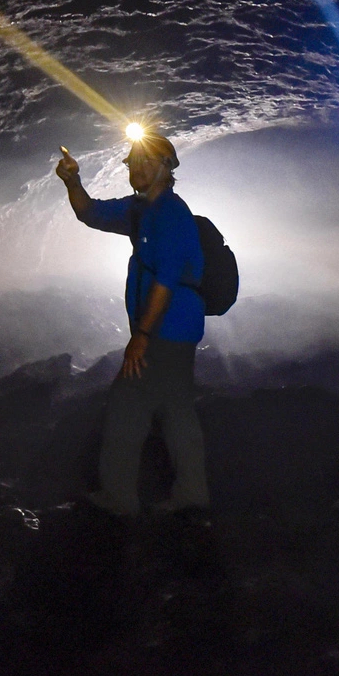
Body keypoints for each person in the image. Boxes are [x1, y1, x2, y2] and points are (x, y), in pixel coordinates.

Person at [55, 131, 210, 517]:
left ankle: (120, 497)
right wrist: (73, 180)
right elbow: (89, 212)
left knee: (127, 406)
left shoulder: (171, 212)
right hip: (178, 331)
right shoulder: (140, 210)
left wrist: (141, 335)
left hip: (165, 331)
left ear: (167, 169)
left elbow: (167, 278)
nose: (135, 168)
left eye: (145, 161)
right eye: (131, 162)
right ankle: (193, 493)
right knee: (177, 410)